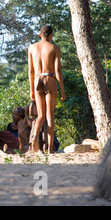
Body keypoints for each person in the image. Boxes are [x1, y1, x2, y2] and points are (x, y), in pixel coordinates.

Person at [28, 25, 66, 153]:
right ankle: (50, 148)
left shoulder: (32, 48)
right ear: (51, 36)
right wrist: (62, 90)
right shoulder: (55, 48)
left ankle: (34, 137)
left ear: (40, 35)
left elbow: (30, 70)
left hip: (37, 79)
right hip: (49, 78)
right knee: (50, 116)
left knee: (40, 116)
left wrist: (31, 90)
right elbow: (58, 70)